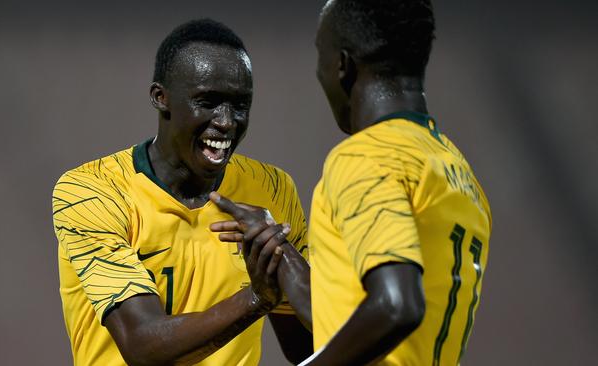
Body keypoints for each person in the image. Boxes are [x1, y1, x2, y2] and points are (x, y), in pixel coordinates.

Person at [210, 0, 492, 365]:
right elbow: (352, 323)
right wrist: (280, 252)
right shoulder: (454, 170)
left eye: (319, 55)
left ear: (342, 65)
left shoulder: (365, 157)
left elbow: (396, 306)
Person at [51, 19, 312, 366]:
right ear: (161, 98)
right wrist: (256, 299)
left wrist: (286, 259)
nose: (227, 122)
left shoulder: (273, 189)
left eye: (240, 105)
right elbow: (143, 346)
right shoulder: (91, 191)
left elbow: (307, 350)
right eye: (208, 102)